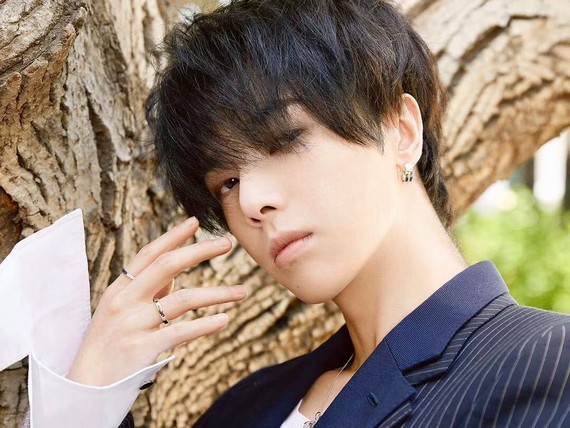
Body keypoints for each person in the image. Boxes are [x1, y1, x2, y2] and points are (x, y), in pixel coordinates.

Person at [3, 0, 569, 427]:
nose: (251, 202)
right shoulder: (246, 408)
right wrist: (85, 401)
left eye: (283, 139)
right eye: (227, 182)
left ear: (400, 130)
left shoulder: (544, 365)